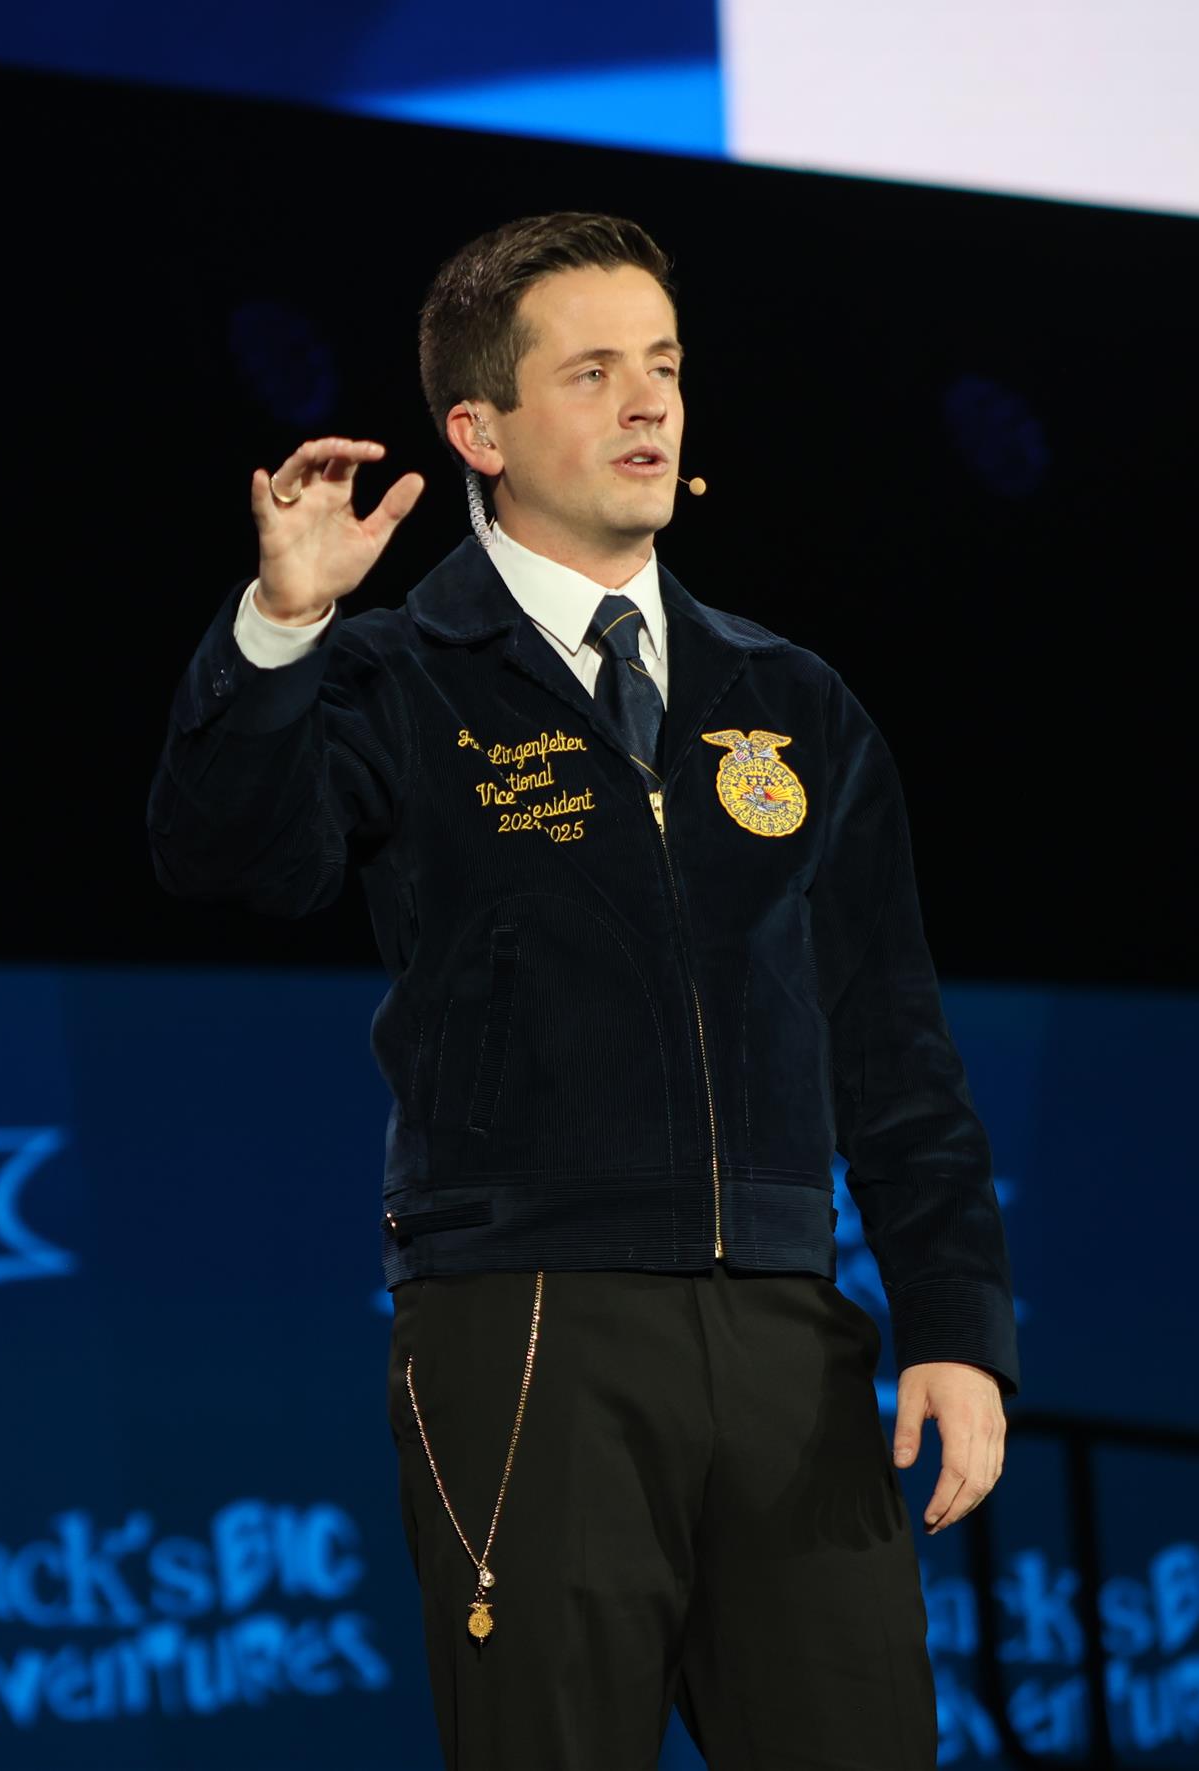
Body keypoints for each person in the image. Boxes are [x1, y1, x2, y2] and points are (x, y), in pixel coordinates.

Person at [145, 210, 1016, 1769]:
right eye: (594, 371)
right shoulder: (397, 674)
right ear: (478, 431)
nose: (648, 403)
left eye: (665, 366)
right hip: (529, 1328)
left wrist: (954, 1321)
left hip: (790, 1337)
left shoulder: (791, 698)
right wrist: (281, 630)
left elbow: (892, 1046)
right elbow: (227, 855)